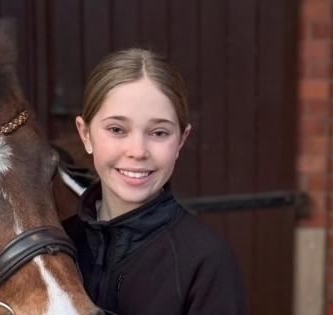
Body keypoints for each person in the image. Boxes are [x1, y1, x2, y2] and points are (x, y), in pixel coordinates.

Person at [63, 48, 248, 315]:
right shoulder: (58, 246)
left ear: (181, 140)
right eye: (117, 129)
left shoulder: (207, 262)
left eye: (159, 132)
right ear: (86, 134)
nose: (138, 151)